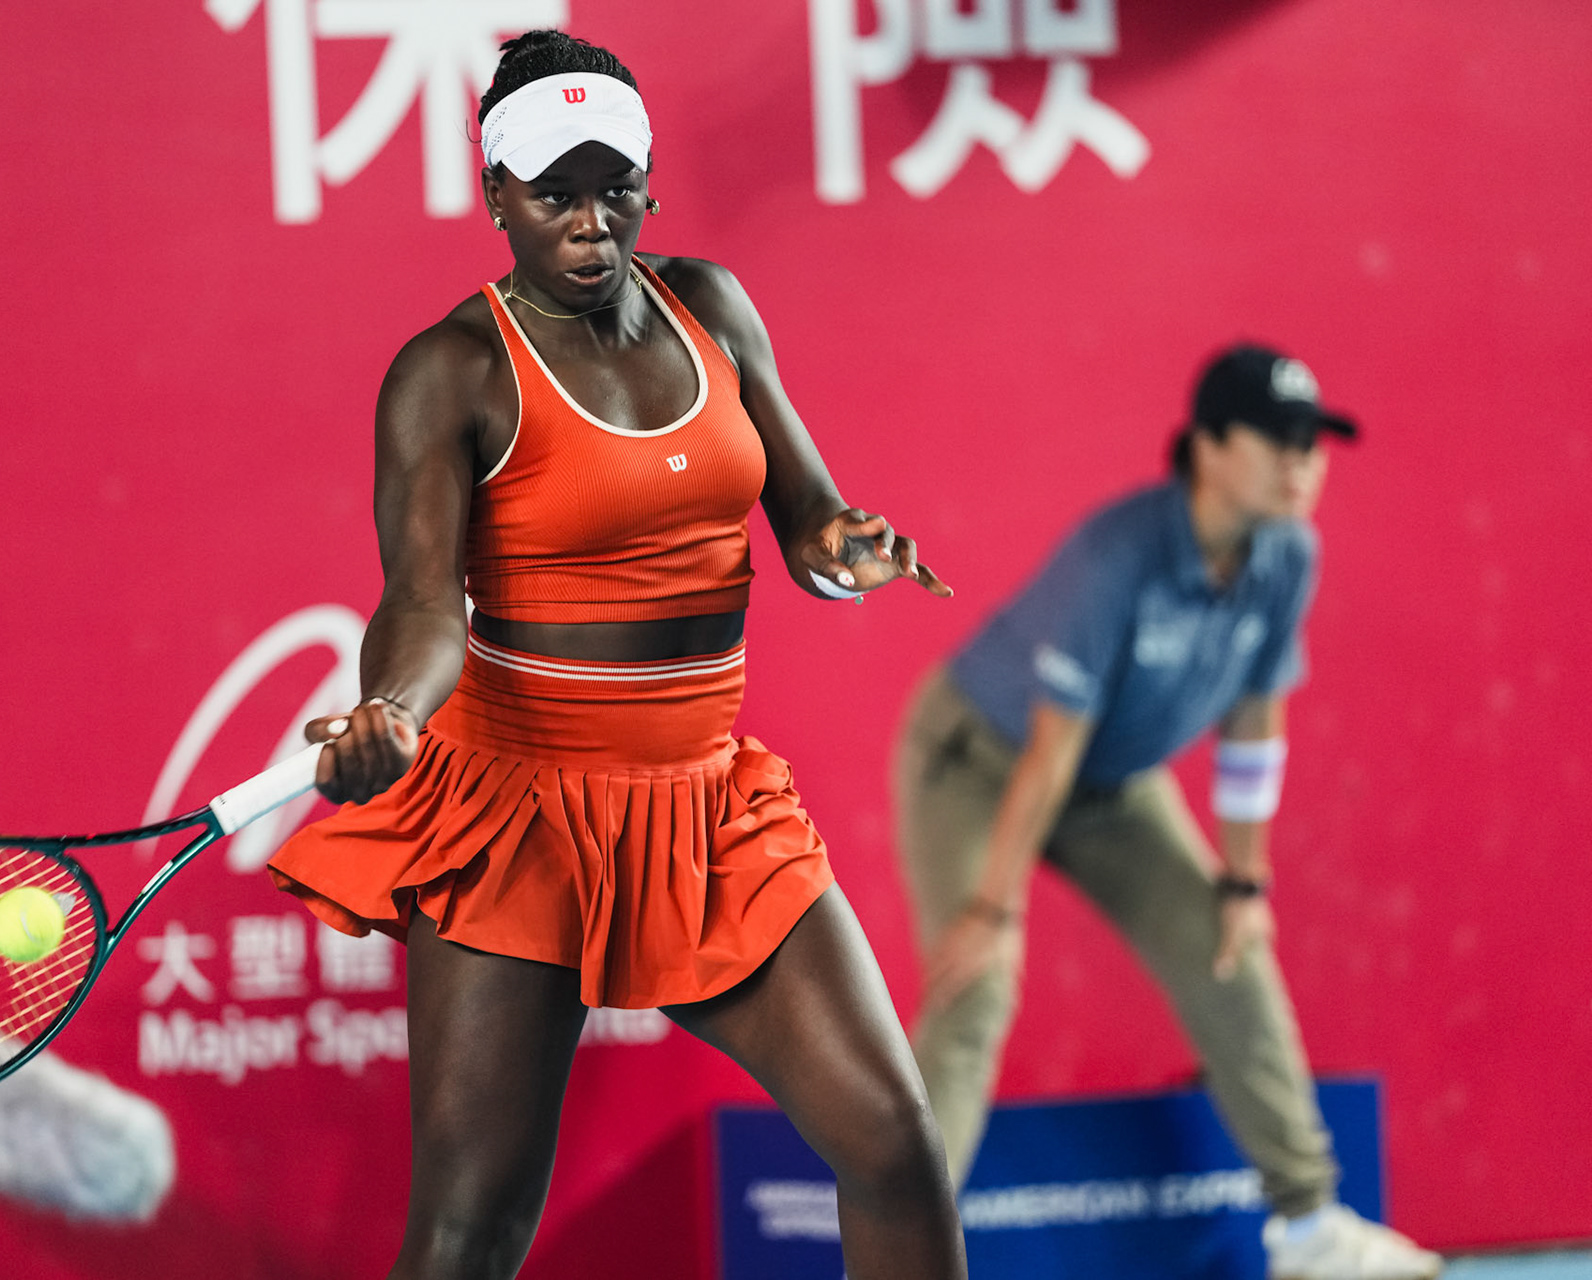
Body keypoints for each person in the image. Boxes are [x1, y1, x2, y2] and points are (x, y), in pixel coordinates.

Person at [266, 31, 967, 1280]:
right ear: (496, 196)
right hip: (519, 810)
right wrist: (390, 709)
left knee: (896, 1146)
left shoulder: (713, 306)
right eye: (554, 194)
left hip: (708, 801)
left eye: (615, 188)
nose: (591, 222)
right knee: (469, 1232)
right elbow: (424, 606)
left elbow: (804, 514)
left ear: (650, 185)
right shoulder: (450, 371)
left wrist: (844, 543)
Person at [893, 344, 1442, 1280]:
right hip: (981, 764)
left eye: (1315, 444)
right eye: (1282, 441)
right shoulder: (1118, 556)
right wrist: (992, 907)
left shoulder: (1287, 555)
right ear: (1210, 446)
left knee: (1229, 949)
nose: (1305, 463)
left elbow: (1256, 722)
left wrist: (1242, 881)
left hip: (1112, 785)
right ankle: (900, 1259)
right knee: (977, 984)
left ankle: (1311, 1229)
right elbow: (1049, 749)